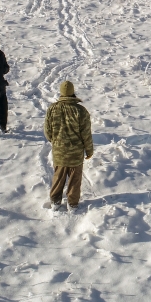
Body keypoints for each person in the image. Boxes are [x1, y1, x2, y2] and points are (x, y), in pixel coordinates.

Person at [44, 80, 93, 210]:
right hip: (76, 154)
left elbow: (47, 131)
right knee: (74, 180)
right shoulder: (81, 111)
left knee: (58, 178)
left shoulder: (52, 109)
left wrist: (55, 142)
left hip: (59, 153)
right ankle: (72, 204)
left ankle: (55, 202)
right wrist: (89, 150)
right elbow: (86, 134)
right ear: (72, 92)